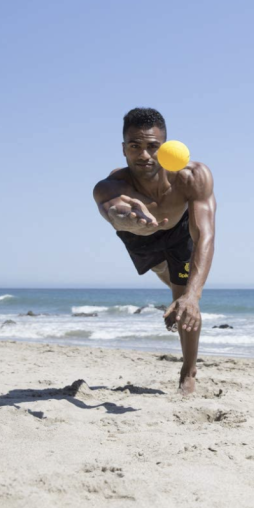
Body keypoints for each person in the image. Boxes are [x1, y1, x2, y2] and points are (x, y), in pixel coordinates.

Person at [93, 108, 216, 395]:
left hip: (179, 230)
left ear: (165, 148)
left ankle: (188, 371)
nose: (144, 155)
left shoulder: (193, 176)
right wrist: (125, 219)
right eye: (135, 146)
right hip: (138, 236)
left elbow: (205, 236)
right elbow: (112, 209)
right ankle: (171, 281)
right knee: (166, 272)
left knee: (184, 296)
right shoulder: (111, 186)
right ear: (123, 149)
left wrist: (192, 296)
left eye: (152, 146)